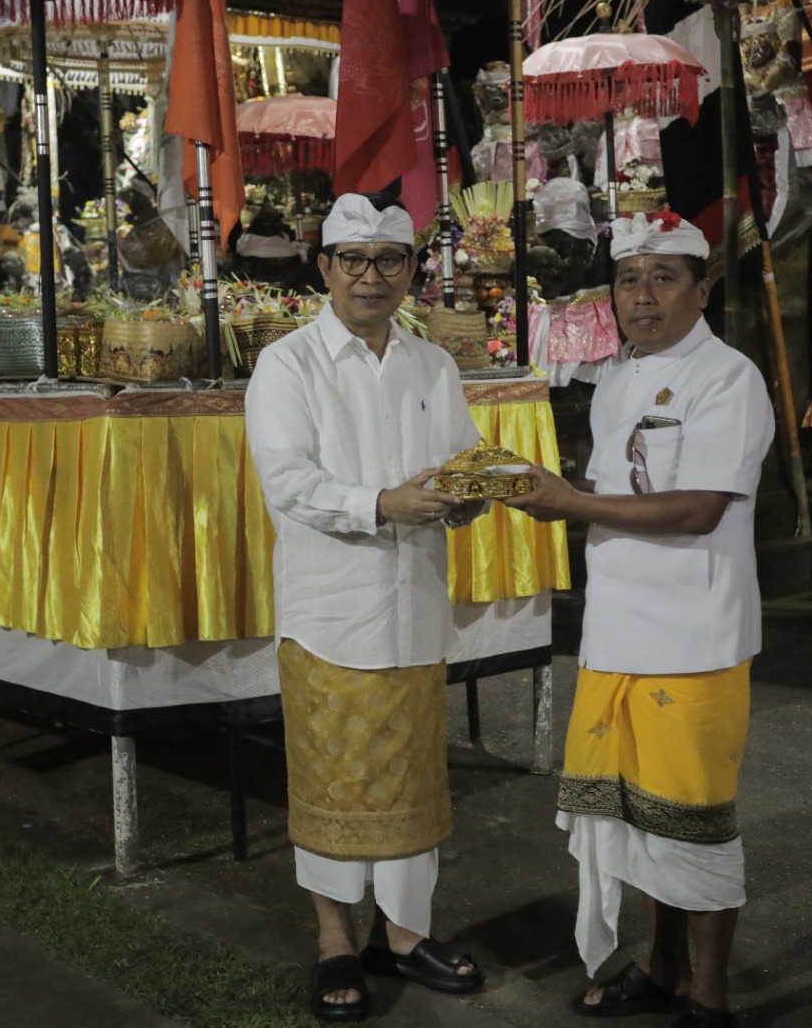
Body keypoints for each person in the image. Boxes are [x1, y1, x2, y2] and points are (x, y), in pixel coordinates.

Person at [505, 210, 774, 1028]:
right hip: (616, 630)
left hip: (693, 633)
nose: (644, 295)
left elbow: (696, 510)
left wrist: (572, 502)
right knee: (631, 812)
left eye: (665, 278)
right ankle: (661, 968)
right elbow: (611, 499)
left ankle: (711, 992)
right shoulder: (619, 375)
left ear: (702, 289)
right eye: (629, 279)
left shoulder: (728, 378)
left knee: (693, 820)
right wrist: (543, 497)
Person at [245, 192, 488, 1022]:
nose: (371, 277)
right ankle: (335, 941)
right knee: (335, 782)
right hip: (330, 613)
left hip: (414, 604)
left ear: (412, 269)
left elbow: (459, 462)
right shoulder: (288, 365)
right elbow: (290, 483)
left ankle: (407, 935)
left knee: (414, 779)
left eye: (390, 260)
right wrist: (384, 503)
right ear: (324, 270)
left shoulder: (432, 365)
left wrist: (468, 494)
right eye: (353, 260)